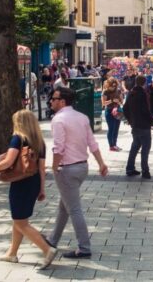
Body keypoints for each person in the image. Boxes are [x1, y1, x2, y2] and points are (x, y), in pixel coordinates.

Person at [0, 110, 57, 269]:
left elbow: (9, 160)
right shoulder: (40, 142)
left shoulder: (18, 139)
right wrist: (42, 189)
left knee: (20, 222)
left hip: (21, 183)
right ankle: (12, 253)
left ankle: (47, 249)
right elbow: (42, 169)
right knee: (20, 220)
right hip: (33, 183)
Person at [46, 87, 109, 259]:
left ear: (62, 101)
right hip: (82, 167)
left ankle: (84, 247)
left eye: (54, 98)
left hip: (67, 169)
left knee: (73, 208)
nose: (51, 100)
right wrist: (101, 163)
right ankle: (52, 240)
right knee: (64, 205)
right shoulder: (82, 118)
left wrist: (54, 167)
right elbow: (92, 143)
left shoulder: (58, 120)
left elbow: (58, 147)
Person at [124, 75, 153, 179]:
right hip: (144, 125)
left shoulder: (131, 93)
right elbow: (146, 109)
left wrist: (130, 120)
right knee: (145, 148)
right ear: (144, 83)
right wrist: (150, 120)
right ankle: (145, 170)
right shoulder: (143, 94)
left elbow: (125, 108)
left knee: (135, 147)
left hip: (135, 125)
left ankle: (130, 168)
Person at [101, 78, 123, 152]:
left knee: (116, 128)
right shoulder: (105, 92)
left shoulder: (118, 90)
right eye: (111, 86)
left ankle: (115, 145)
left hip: (117, 110)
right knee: (111, 128)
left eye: (114, 86)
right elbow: (103, 103)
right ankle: (111, 145)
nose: (113, 88)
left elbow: (121, 102)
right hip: (109, 111)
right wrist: (112, 100)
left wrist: (119, 102)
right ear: (108, 85)